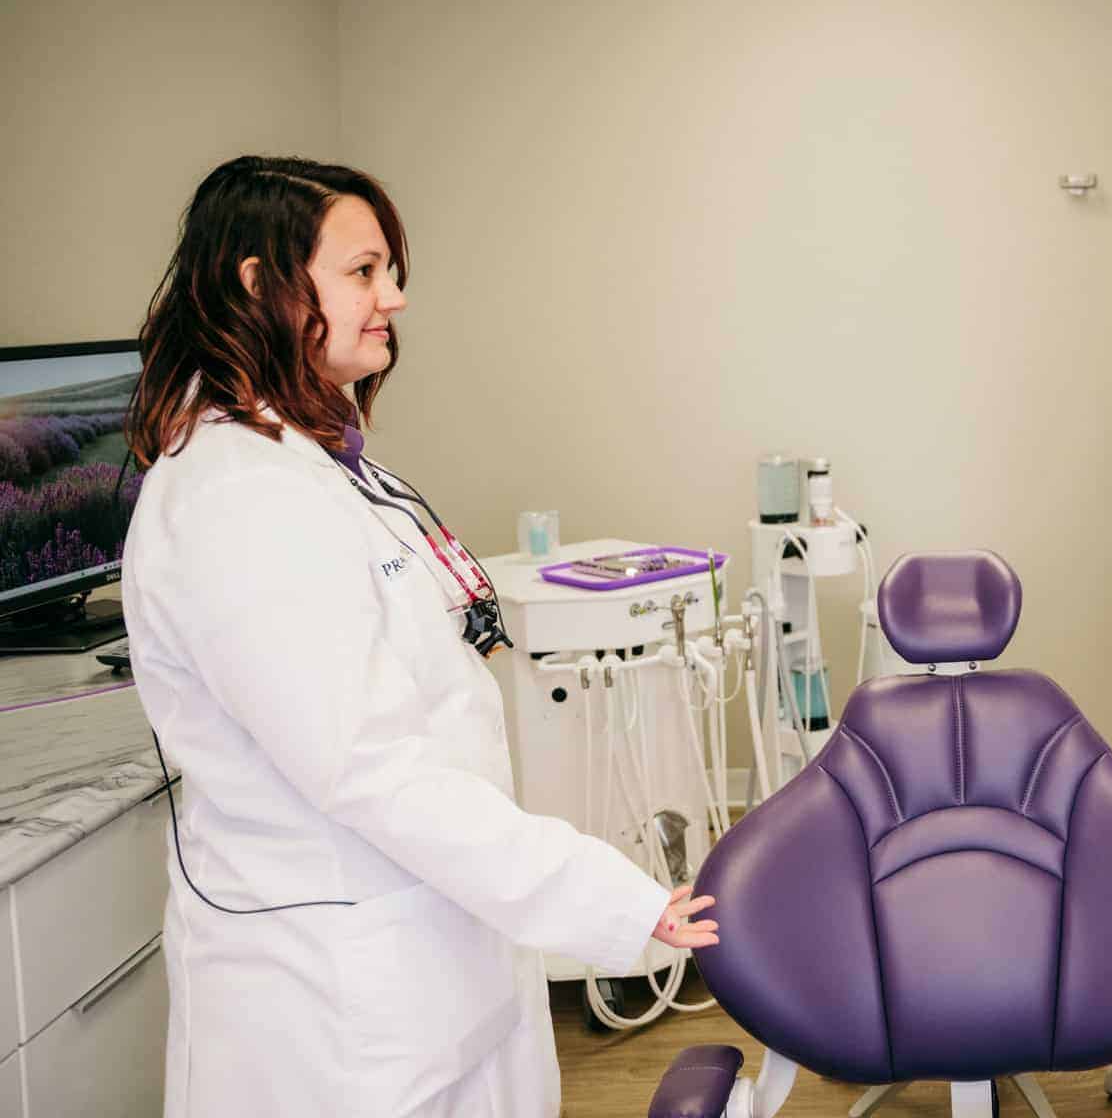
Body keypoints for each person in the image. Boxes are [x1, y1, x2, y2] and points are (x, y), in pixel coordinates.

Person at [120, 156, 717, 1118]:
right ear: (262, 283)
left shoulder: (317, 463)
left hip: (421, 957)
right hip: (333, 1001)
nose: (394, 296)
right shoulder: (236, 493)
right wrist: (601, 894)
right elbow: (365, 762)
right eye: (364, 271)